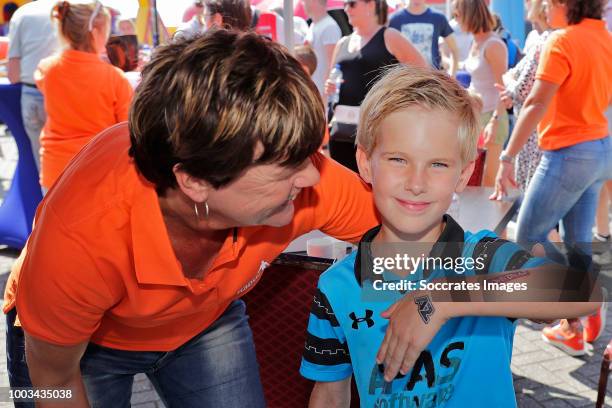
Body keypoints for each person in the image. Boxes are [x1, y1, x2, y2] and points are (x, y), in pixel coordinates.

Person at [3, 29, 379, 407]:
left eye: (307, 157)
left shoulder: (304, 181)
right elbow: (54, 379)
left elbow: (421, 242)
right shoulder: (81, 238)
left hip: (204, 323)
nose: (314, 177)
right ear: (195, 182)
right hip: (80, 347)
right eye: (287, 167)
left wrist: (431, 302)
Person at [300, 65, 600, 407]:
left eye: (438, 164)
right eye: (398, 159)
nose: (416, 182)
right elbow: (329, 394)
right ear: (366, 164)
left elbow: (582, 290)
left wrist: (441, 300)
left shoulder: (483, 258)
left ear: (464, 173)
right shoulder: (337, 287)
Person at [492, 0, 612, 355]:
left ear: (562, 3)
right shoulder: (604, 37)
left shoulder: (560, 41)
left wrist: (507, 156)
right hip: (598, 149)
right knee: (577, 242)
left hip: (570, 152)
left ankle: (586, 299)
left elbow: (534, 102)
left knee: (528, 237)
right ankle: (575, 324)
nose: (542, 6)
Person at [34, 1, 133, 192]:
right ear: (96, 33)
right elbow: (125, 132)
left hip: (54, 171)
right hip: (98, 171)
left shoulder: (46, 69)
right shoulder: (115, 78)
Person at [326, 0, 426, 173]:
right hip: (342, 130)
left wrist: (398, 101)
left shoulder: (389, 36)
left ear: (371, 5)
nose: (346, 8)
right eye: (345, 4)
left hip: (376, 131)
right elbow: (333, 78)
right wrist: (330, 87)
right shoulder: (343, 42)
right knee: (346, 187)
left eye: (352, 4)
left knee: (374, 188)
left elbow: (423, 72)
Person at [497, 0, 551, 193]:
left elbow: (520, 86)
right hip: (543, 132)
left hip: (537, 133)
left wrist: (510, 87)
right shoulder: (542, 39)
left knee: (537, 205)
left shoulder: (546, 42)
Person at [454, 0, 508, 187]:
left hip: (492, 117)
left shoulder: (493, 45)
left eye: (457, 14)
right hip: (476, 118)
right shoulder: (475, 42)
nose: (456, 19)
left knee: (488, 181)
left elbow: (504, 88)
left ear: (469, 14)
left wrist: (495, 120)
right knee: (472, 179)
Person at [7, 0, 59, 172]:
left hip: (33, 93)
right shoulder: (73, 8)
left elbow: (13, 74)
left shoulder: (22, 13)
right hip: (68, 93)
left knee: (42, 164)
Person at [389, 0, 459, 76]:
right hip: (404, 81)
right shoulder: (394, 19)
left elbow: (454, 50)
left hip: (431, 81)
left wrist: (452, 76)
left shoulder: (438, 18)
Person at [303, 0, 342, 99]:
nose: (303, 4)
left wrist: (325, 98)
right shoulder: (313, 25)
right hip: (313, 91)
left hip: (322, 94)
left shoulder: (329, 26)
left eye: (305, 1)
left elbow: (332, 64)